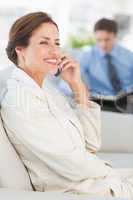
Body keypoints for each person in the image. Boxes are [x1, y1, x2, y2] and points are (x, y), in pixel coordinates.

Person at [1, 12, 133, 198]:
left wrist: (77, 85)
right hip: (79, 191)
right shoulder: (19, 102)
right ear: (20, 49)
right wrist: (110, 171)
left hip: (95, 182)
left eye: (56, 43)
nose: (55, 51)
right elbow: (71, 165)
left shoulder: (48, 91)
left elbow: (92, 144)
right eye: (44, 42)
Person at [78, 18, 133, 111]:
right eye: (99, 40)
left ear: (115, 37)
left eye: (107, 39)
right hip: (100, 103)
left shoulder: (129, 56)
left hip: (128, 102)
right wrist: (81, 88)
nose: (103, 44)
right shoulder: (87, 56)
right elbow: (74, 78)